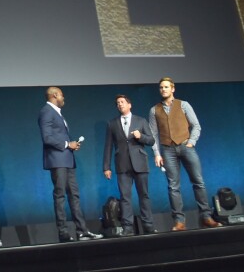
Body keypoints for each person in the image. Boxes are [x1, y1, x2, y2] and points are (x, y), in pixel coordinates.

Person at [148, 77, 222, 230]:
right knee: (173, 186)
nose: (163, 90)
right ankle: (179, 221)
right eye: (161, 87)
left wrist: (191, 142)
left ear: (173, 89)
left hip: (185, 146)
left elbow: (196, 125)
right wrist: (156, 153)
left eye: (166, 87)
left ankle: (206, 216)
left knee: (198, 181)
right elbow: (153, 134)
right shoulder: (154, 110)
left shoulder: (184, 105)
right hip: (167, 149)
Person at [38, 86, 102, 242]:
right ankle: (63, 232)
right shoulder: (46, 112)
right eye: (62, 96)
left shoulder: (57, 113)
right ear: (55, 95)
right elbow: (47, 138)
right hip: (58, 160)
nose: (63, 98)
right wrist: (68, 144)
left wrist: (72, 145)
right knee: (60, 196)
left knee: (74, 195)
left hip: (67, 160)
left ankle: (82, 231)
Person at [102, 94, 156, 235]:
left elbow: (151, 141)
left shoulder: (141, 120)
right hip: (122, 165)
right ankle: (128, 227)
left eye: (122, 102)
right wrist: (106, 167)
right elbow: (108, 146)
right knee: (125, 197)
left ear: (129, 104)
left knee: (144, 195)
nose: (120, 104)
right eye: (118, 103)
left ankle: (148, 225)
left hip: (140, 163)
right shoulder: (112, 123)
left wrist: (141, 136)